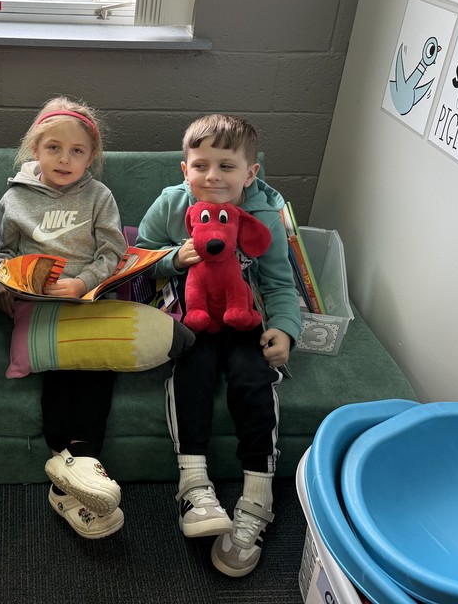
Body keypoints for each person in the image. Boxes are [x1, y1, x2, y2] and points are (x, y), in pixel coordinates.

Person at [136, 113, 301, 577]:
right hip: (193, 317)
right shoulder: (172, 204)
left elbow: (280, 283)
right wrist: (172, 258)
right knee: (193, 368)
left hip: (245, 317)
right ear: (183, 168)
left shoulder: (264, 213)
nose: (212, 176)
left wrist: (286, 330)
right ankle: (194, 485)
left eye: (227, 166)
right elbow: (139, 258)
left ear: (251, 173)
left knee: (253, 377)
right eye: (201, 165)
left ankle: (257, 494)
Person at [0, 97, 128, 539]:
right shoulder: (15, 197)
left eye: (76, 151)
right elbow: (3, 252)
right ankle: (66, 463)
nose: (64, 159)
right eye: (53, 148)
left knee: (95, 362)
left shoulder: (98, 196)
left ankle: (81, 465)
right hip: (39, 297)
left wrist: (84, 281)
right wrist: (7, 285)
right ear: (36, 149)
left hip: (87, 295)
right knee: (57, 365)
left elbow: (112, 251)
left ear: (91, 156)